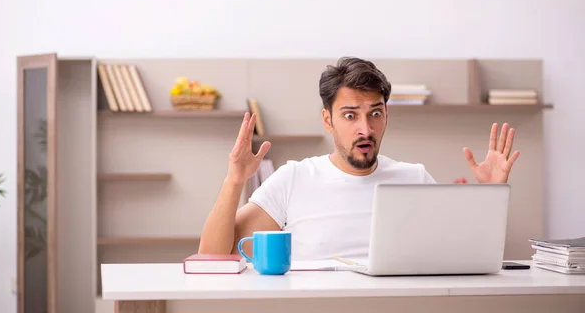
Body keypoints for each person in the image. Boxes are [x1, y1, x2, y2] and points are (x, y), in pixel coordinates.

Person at [198, 57, 520, 260]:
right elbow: (213, 255)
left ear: (386, 115)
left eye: (375, 114)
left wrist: (490, 196)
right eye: (350, 115)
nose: (365, 129)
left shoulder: (415, 178)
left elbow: (468, 257)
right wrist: (234, 181)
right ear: (328, 120)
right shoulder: (294, 179)